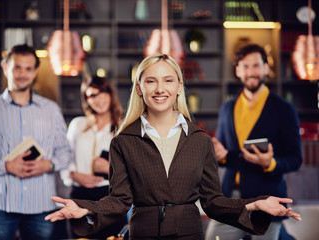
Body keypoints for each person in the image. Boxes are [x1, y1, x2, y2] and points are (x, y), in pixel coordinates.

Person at [45, 53, 301, 240]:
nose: (159, 89)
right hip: (142, 234)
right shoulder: (123, 141)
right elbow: (119, 201)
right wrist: (85, 209)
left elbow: (212, 202)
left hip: (189, 234)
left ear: (179, 87)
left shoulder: (199, 139)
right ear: (139, 88)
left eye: (168, 80)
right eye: (150, 81)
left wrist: (255, 204)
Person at [0, 44, 73, 240]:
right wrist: (5, 166)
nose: (22, 74)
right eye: (17, 67)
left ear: (35, 71)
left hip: (41, 207)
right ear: (6, 68)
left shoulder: (51, 109)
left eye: (28, 68)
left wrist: (48, 164)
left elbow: (66, 153)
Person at [205, 44, 302, 240]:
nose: (251, 72)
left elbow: (295, 158)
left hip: (268, 199)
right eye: (246, 66)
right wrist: (220, 156)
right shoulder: (227, 108)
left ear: (266, 68)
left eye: (256, 66)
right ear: (238, 70)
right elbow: (227, 154)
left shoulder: (284, 109)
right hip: (231, 198)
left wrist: (270, 163)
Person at [60, 75, 126, 239]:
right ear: (86, 100)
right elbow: (64, 156)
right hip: (79, 195)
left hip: (110, 196)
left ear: (110, 94)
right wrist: (73, 174)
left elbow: (136, 168)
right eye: (92, 95)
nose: (99, 99)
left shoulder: (123, 128)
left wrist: (110, 168)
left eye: (103, 92)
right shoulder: (77, 125)